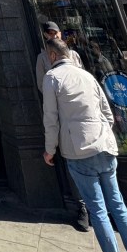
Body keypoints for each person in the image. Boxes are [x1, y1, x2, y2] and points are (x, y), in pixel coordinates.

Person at [42, 37, 127, 252]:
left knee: (98, 212)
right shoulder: (88, 76)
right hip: (105, 146)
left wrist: (50, 149)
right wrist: (102, 135)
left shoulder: (53, 78)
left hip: (79, 150)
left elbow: (51, 118)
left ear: (53, 56)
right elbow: (107, 112)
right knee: (119, 208)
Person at [35, 20, 88, 231]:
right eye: (48, 34)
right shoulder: (43, 59)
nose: (52, 36)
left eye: (54, 33)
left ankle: (99, 209)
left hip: (82, 116)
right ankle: (82, 207)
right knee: (73, 162)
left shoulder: (74, 56)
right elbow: (43, 88)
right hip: (63, 117)